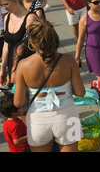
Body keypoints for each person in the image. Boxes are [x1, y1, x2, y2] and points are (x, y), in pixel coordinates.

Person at [13, 19, 85, 152]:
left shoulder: (23, 65)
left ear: (32, 42)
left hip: (38, 120)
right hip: (68, 115)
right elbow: (80, 92)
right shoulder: (69, 60)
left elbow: (18, 102)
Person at [0, 0, 39, 86]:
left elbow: (37, 47)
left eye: (6, 4)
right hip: (11, 65)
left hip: (27, 66)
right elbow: (6, 44)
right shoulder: (7, 18)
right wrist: (3, 68)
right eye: (1, 5)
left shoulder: (30, 18)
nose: (4, 8)